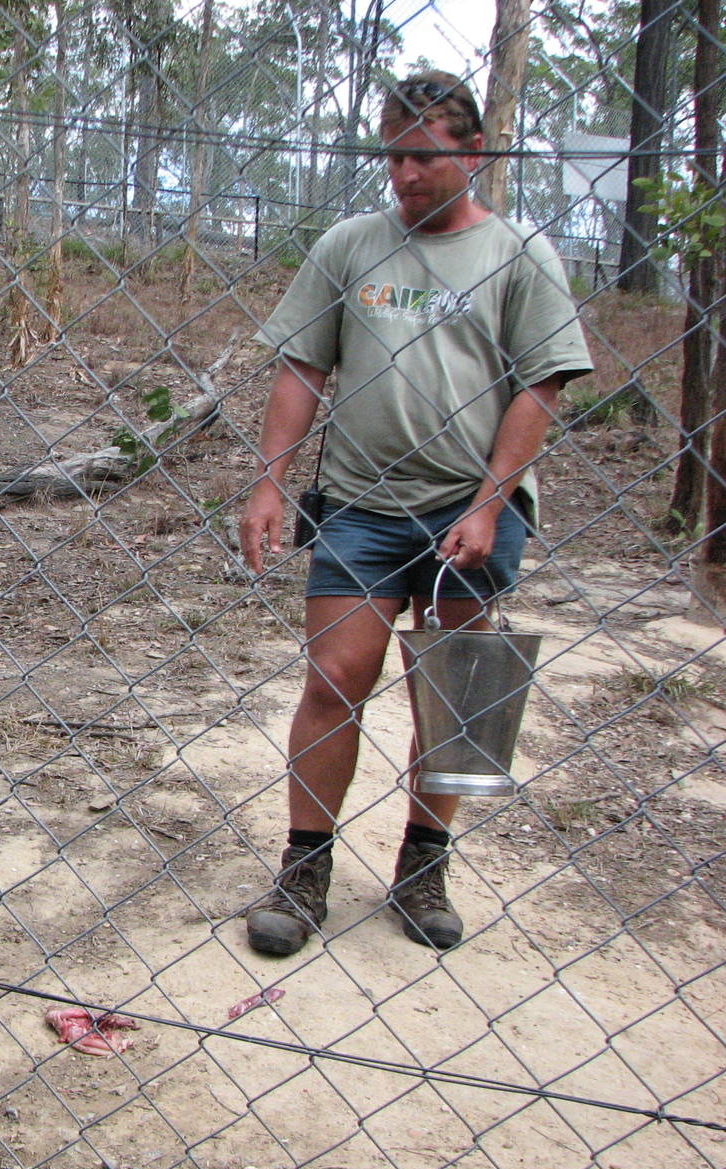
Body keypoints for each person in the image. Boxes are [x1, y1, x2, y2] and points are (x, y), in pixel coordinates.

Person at [238, 71, 592, 957]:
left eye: (426, 157)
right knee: (334, 681)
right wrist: (270, 481)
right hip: (361, 506)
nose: (405, 174)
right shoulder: (351, 246)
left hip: (468, 513)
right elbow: (301, 370)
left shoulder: (519, 257)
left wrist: (489, 504)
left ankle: (424, 866)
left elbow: (540, 387)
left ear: (473, 153)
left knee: (455, 703)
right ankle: (305, 866)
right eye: (394, 155)